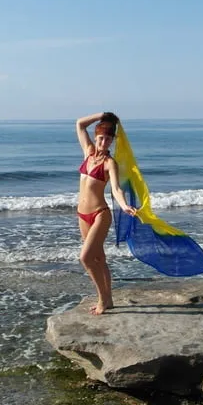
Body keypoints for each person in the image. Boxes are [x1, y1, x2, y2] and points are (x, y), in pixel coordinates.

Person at [75, 111, 136, 315]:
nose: (103, 142)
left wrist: (125, 206)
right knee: (99, 259)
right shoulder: (88, 152)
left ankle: (102, 298)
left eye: (108, 139)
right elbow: (80, 124)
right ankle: (108, 298)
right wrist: (102, 115)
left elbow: (116, 189)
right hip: (82, 215)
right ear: (96, 137)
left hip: (100, 214)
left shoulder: (110, 163)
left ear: (112, 141)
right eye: (101, 137)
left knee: (85, 257)